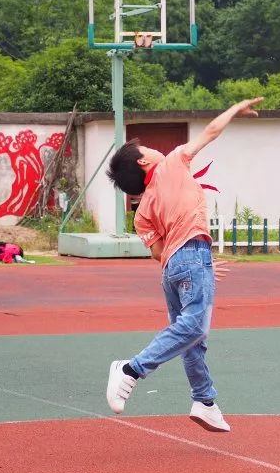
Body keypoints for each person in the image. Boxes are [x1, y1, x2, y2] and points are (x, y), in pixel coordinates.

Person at [103, 98, 263, 431]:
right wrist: (235, 109)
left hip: (174, 267)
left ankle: (204, 401)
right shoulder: (173, 161)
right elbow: (211, 131)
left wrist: (196, 264)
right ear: (146, 160)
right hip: (190, 256)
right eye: (148, 147)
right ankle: (131, 369)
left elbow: (158, 252)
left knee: (191, 338)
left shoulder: (143, 211)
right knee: (194, 328)